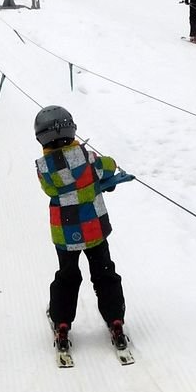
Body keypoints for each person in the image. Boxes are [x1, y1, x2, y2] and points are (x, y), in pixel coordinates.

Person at [34, 105, 130, 351]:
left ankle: (62, 323)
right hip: (94, 228)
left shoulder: (43, 169)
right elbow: (108, 166)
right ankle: (115, 319)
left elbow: (54, 189)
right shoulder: (87, 160)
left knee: (67, 276)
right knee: (104, 272)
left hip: (65, 233)